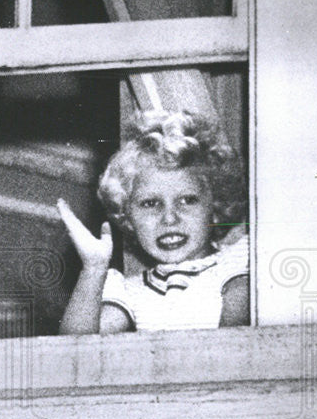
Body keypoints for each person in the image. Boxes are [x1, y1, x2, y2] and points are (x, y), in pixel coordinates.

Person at [58, 110, 249, 334]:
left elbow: (234, 342)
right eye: (150, 203)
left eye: (187, 200)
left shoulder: (235, 262)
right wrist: (94, 268)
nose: (169, 218)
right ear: (128, 219)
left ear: (215, 207)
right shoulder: (129, 290)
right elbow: (74, 351)